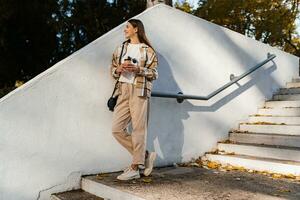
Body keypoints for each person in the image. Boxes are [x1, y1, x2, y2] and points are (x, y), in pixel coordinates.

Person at [110, 18, 159, 181]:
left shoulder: (148, 50)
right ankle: (144, 155)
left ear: (136, 29)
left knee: (138, 129)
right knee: (116, 129)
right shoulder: (121, 48)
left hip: (140, 90)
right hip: (123, 90)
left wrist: (138, 69)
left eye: (127, 27)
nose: (125, 30)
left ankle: (135, 167)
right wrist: (118, 69)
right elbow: (112, 70)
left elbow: (154, 74)